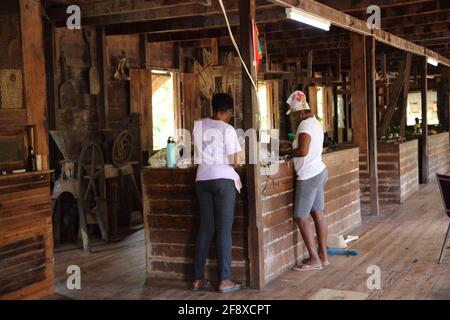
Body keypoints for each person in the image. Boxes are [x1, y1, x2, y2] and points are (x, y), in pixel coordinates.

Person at [191, 93, 242, 293]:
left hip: (202, 179)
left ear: (213, 107)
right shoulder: (227, 129)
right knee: (223, 230)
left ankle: (197, 279)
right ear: (228, 111)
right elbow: (234, 162)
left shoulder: (198, 126)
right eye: (230, 112)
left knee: (205, 228)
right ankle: (224, 280)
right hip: (223, 181)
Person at [282, 90, 329, 271]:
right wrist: (290, 145)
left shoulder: (303, 125)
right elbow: (305, 147)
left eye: (294, 114)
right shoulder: (315, 123)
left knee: (300, 216)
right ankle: (323, 255)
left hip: (309, 175)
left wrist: (285, 152)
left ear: (300, 111)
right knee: (318, 213)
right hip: (319, 170)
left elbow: (302, 151)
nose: (293, 118)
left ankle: (314, 259)